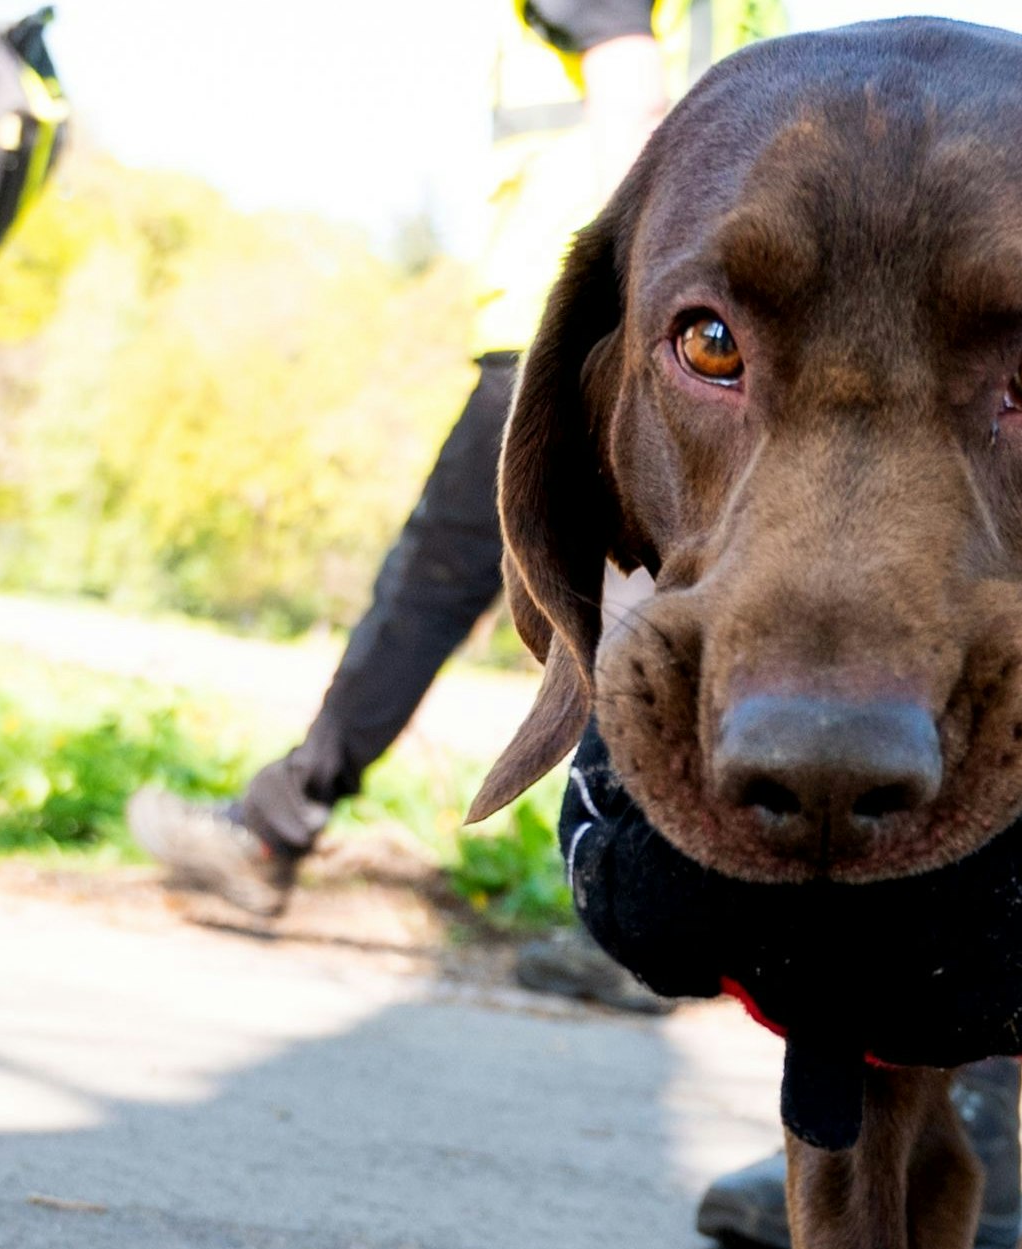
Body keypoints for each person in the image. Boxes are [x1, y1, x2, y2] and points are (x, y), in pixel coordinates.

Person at [126, 0, 778, 923]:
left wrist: (637, 322)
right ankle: (678, 910)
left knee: (445, 586)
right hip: (702, 353)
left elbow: (631, 105)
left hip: (583, 337)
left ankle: (277, 829)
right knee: (663, 607)